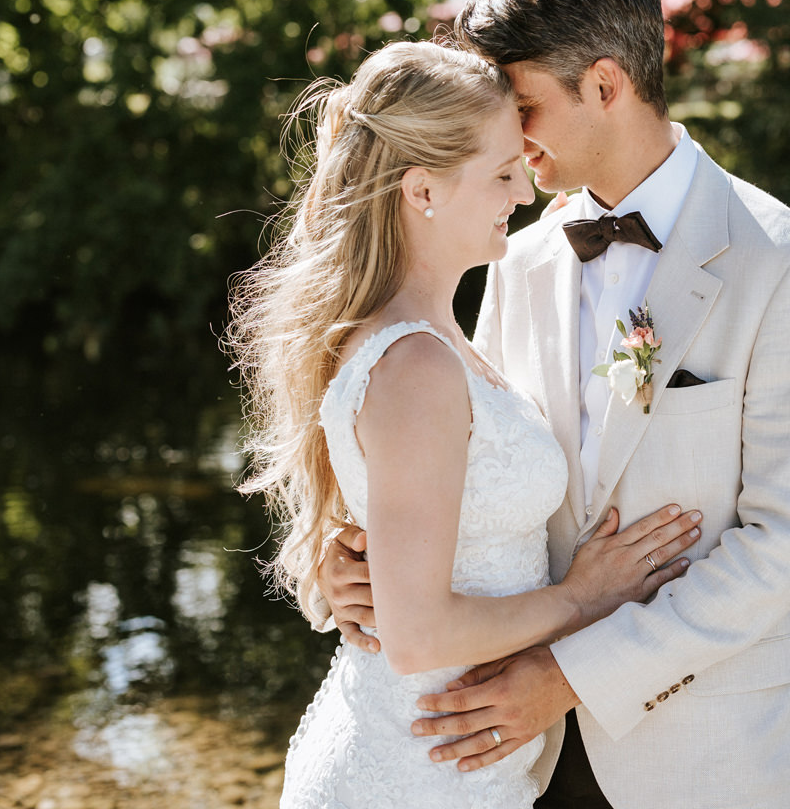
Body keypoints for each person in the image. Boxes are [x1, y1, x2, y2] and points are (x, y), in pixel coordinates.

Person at [319, 0, 790, 809]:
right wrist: (362, 568)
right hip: (508, 754)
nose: (505, 136)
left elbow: (783, 549)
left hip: (699, 754)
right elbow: (473, 464)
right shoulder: (516, 258)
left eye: (522, 105)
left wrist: (570, 673)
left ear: (605, 86)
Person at [227, 40, 704, 809]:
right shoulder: (415, 364)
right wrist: (584, 597)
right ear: (423, 191)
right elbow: (417, 637)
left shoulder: (438, 337)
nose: (524, 191)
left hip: (454, 761)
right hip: (416, 770)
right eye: (501, 173)